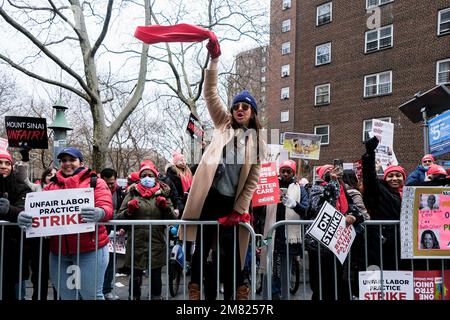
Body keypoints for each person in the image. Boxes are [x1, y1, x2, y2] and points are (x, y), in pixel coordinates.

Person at [180, 37, 264, 301]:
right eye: (236, 106)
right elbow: (210, 92)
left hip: (231, 203)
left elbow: (252, 180)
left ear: (252, 113)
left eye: (245, 107)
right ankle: (195, 288)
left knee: (229, 251)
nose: (239, 110)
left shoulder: (259, 142)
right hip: (209, 198)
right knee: (201, 246)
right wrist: (214, 60)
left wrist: (239, 210)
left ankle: (237, 291)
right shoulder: (222, 124)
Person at [17, 147, 113, 300]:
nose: (67, 163)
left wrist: (100, 212)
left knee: (91, 295)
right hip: (59, 253)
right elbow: (38, 211)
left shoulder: (95, 182)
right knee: (67, 296)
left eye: (72, 160)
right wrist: (23, 216)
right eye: (63, 161)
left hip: (90, 250)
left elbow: (107, 207)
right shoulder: (51, 186)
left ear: (81, 162)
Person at [117, 160, 178, 300]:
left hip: (156, 240)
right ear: (140, 177)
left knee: (155, 272)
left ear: (155, 177)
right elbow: (118, 217)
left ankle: (156, 296)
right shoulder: (132, 193)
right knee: (136, 272)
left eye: (150, 175)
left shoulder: (163, 194)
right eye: (144, 175)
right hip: (136, 240)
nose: (147, 178)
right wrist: (129, 211)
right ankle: (134, 296)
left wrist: (166, 207)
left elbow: (173, 218)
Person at [306, 164, 362, 300]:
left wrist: (353, 217)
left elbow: (356, 211)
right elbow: (318, 207)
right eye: (329, 172)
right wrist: (332, 184)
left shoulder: (344, 191)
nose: (333, 174)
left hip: (337, 245)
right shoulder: (317, 189)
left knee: (335, 281)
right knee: (319, 282)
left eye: (334, 171)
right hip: (319, 245)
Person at [262, 159, 309, 300]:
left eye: (289, 171)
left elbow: (306, 210)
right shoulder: (271, 185)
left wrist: (294, 204)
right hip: (272, 234)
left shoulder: (300, 189)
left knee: (284, 272)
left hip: (288, 237)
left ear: (293, 173)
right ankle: (268, 299)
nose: (286, 174)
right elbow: (259, 209)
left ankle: (285, 297)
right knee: (268, 270)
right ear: (279, 172)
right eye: (283, 171)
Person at [362, 136, 408, 271]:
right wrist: (370, 154)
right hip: (382, 243)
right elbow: (370, 178)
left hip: (403, 244)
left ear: (403, 178)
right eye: (391, 175)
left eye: (398, 175)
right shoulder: (380, 190)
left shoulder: (408, 193)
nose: (394, 178)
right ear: (385, 177)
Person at [15, 164, 57, 300]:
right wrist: (23, 163)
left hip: (57, 240)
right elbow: (23, 179)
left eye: (55, 174)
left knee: (57, 273)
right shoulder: (36, 188)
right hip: (39, 240)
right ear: (44, 177)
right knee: (40, 272)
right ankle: (38, 296)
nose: (52, 177)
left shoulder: (63, 190)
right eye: (49, 174)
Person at [0, 150, 31, 300]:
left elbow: (26, 210)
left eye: (7, 163)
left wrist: (9, 210)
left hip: (14, 249)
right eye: (0, 163)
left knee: (16, 291)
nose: (3, 166)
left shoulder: (21, 187)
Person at [100, 168, 126, 300]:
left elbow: (123, 210)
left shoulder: (120, 192)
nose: (110, 186)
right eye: (107, 183)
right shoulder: (96, 190)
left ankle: (107, 290)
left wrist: (122, 227)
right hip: (99, 232)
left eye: (112, 183)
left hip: (114, 233)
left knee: (111, 263)